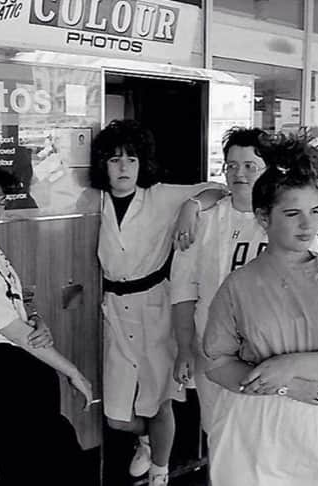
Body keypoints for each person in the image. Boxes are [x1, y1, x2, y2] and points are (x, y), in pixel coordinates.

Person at [202, 131, 318, 486]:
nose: (308, 225)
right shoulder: (237, 286)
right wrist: (284, 386)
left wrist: (290, 366)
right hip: (253, 424)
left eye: (315, 211)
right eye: (292, 213)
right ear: (263, 217)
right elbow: (216, 363)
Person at [170, 127, 318, 482]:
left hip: (272, 354)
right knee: (222, 438)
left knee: (272, 446)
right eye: (231, 165)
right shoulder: (204, 221)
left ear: (267, 168)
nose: (239, 174)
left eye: (250, 165)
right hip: (215, 355)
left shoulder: (285, 221)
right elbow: (183, 292)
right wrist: (183, 349)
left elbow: (311, 296)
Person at [0, 152, 93, 486]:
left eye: (1, 203)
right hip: (8, 380)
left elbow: (16, 301)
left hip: (27, 371)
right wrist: (74, 372)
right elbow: (14, 332)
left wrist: (35, 318)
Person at [90, 119, 226, 486]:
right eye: (115, 160)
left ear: (141, 164)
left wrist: (191, 207)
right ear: (103, 164)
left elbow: (219, 189)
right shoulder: (94, 201)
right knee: (117, 415)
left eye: (131, 160)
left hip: (155, 304)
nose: (123, 168)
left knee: (160, 397)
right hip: (114, 310)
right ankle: (146, 439)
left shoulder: (161, 195)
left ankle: (160, 473)